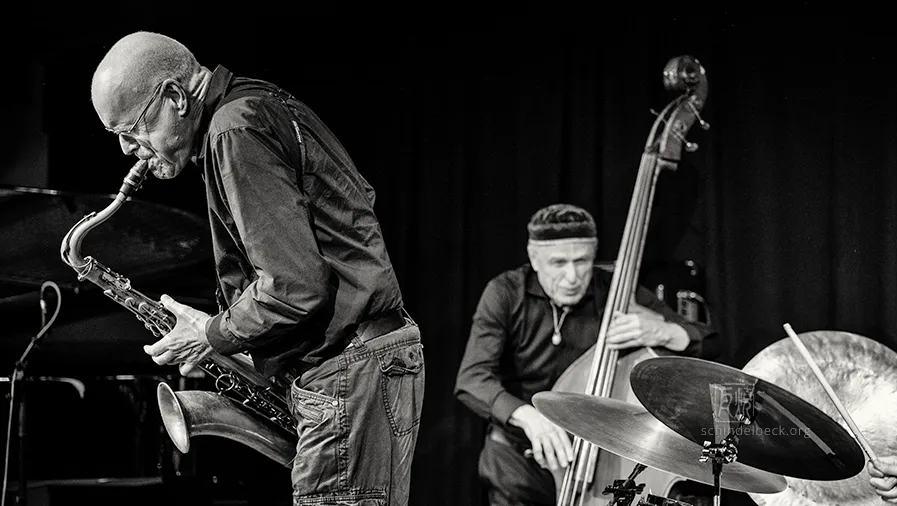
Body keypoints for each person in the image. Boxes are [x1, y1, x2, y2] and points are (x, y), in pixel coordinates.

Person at [89, 31, 424, 506]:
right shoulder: (257, 104)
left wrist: (211, 335)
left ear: (174, 97)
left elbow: (293, 287)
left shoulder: (235, 128)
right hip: (360, 363)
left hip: (349, 369)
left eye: (132, 129)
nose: (127, 149)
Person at [454, 203, 721, 506]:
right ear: (534, 258)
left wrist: (663, 332)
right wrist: (527, 416)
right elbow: (472, 378)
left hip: (598, 460)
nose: (572, 276)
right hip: (521, 457)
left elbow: (709, 343)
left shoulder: (615, 292)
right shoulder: (505, 292)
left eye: (581, 261)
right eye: (559, 263)